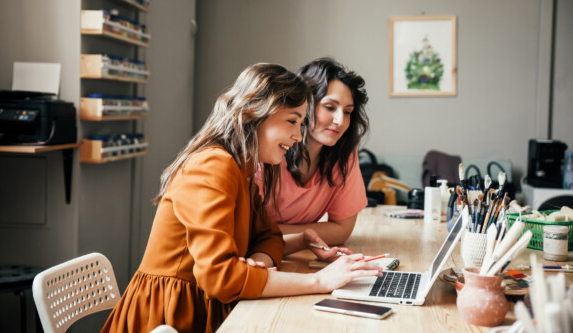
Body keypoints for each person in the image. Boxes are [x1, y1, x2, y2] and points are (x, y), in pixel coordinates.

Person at [101, 63, 382, 333]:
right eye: (293, 122)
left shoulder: (243, 168)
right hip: (170, 316)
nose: (298, 136)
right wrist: (319, 280)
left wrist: (290, 245)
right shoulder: (213, 166)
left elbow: (267, 237)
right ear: (256, 113)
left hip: (207, 307)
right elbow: (220, 278)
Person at [257, 58, 369, 251]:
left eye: (348, 112)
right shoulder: (267, 151)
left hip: (287, 253)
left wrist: (275, 232)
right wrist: (311, 233)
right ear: (303, 103)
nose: (340, 121)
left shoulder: (344, 154)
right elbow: (247, 233)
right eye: (329, 107)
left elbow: (342, 230)